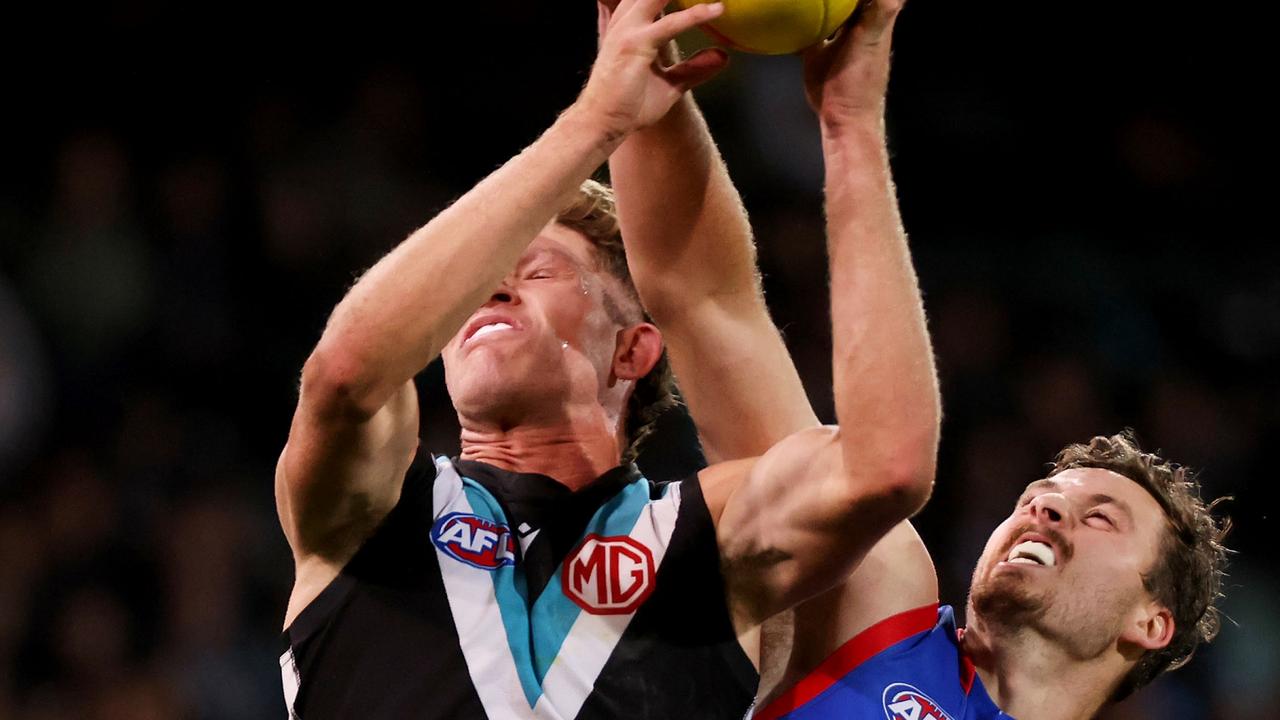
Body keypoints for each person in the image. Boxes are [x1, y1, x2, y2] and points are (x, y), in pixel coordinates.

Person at [273, 0, 938, 718]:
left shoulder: (706, 539)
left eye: (538, 271)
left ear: (632, 350)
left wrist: (849, 131)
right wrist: (593, 122)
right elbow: (343, 373)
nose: (494, 285)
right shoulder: (375, 509)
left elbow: (886, 468)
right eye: (484, 276)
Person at [607, 2, 1231, 718]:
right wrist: (639, 59)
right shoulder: (878, 606)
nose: (1048, 508)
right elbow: (708, 305)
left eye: (1100, 520)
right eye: (1036, 500)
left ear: (1150, 624)